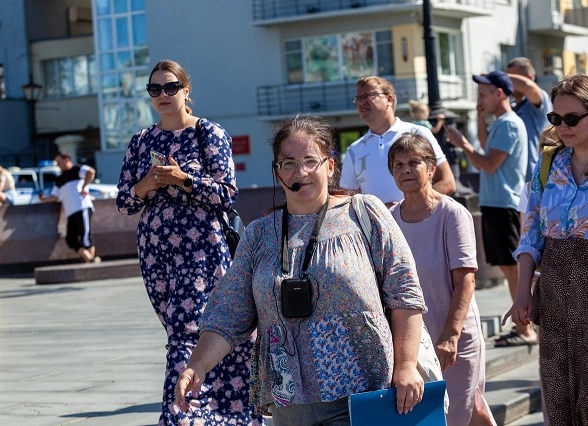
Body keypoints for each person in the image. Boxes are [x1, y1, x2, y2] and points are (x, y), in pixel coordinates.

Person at [175, 115, 427, 425]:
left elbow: (405, 293)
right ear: (277, 172)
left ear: (330, 166)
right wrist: (196, 366)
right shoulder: (259, 235)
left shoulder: (365, 214)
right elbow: (229, 312)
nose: (301, 172)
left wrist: (406, 365)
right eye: (289, 163)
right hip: (290, 403)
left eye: (310, 161)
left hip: (366, 394)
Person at [116, 59, 262, 425]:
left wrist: (183, 179)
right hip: (156, 254)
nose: (162, 95)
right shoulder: (141, 141)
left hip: (202, 251)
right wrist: (146, 185)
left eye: (170, 87)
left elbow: (226, 194)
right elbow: (123, 202)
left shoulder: (208, 133)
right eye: (154, 89)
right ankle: (225, 415)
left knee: (191, 330)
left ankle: (181, 416)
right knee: (180, 328)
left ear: (186, 90)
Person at [388, 133, 495, 425]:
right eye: (398, 165)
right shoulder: (390, 219)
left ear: (432, 169)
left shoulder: (452, 214)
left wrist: (450, 337)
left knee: (456, 415)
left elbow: (466, 281)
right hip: (412, 344)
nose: (405, 170)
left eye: (414, 162)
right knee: (452, 415)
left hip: (453, 338)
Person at [503, 74, 588, 425]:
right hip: (553, 287)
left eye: (572, 118)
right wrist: (523, 293)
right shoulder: (548, 163)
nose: (562, 126)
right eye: (556, 118)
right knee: (557, 393)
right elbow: (532, 234)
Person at [444, 70, 534, 347]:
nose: (479, 99)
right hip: (497, 203)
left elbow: (488, 162)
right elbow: (486, 148)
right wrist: (481, 117)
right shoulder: (501, 123)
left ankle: (527, 328)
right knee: (509, 269)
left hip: (504, 204)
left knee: (513, 271)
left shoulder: (508, 124)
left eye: (484, 94)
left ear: (500, 93)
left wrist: (463, 144)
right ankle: (525, 326)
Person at [340, 76, 456, 207]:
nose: (361, 102)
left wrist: (405, 208)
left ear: (389, 99)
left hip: (422, 225)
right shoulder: (354, 150)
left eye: (368, 95)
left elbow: (448, 182)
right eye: (358, 98)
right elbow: (346, 201)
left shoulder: (418, 133)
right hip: (376, 228)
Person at [39, 151, 100, 263]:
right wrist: (44, 199)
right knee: (70, 239)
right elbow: (55, 196)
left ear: (66, 160)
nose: (58, 165)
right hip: (71, 212)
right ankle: (90, 260)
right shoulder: (60, 179)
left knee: (85, 236)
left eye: (59, 162)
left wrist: (84, 187)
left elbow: (90, 172)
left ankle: (90, 262)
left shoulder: (77, 170)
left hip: (82, 207)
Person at [506, 57, 553, 182]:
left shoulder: (538, 101)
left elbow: (527, 86)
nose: (508, 82)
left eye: (513, 78)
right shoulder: (510, 107)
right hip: (515, 181)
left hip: (536, 178)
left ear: (530, 77)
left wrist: (496, 77)